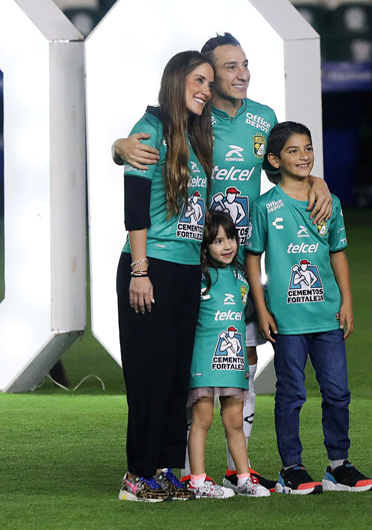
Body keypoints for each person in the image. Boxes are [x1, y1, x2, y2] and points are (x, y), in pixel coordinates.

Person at [112, 32, 333, 491]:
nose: (239, 75)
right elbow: (139, 174)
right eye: (220, 71)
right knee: (166, 369)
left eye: (241, 66)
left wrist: (318, 181)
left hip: (231, 262)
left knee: (230, 362)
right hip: (183, 262)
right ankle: (149, 471)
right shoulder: (183, 123)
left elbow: (286, 164)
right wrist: (119, 145)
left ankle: (228, 467)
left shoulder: (244, 123)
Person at [245, 122, 372, 495]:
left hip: (327, 316)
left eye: (308, 149)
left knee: (337, 391)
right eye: (293, 150)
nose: (303, 156)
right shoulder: (265, 207)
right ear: (274, 159)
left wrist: (347, 301)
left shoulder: (329, 203)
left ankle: (338, 466)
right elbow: (253, 260)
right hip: (287, 319)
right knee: (291, 393)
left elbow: (337, 253)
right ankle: (292, 469)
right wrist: (262, 307)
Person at [117, 50, 215, 502]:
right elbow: (136, 207)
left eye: (210, 84)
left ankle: (166, 470)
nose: (206, 90)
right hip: (148, 266)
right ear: (176, 81)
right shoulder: (150, 127)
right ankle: (137, 476)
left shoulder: (195, 134)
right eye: (198, 80)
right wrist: (140, 270)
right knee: (148, 374)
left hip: (184, 271)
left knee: (177, 375)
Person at [186, 211, 270, 499]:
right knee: (203, 420)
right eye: (218, 240)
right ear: (204, 246)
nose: (227, 245)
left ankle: (243, 478)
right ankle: (197, 481)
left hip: (233, 363)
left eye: (231, 238)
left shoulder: (240, 275)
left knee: (234, 420)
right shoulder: (197, 276)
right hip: (204, 361)